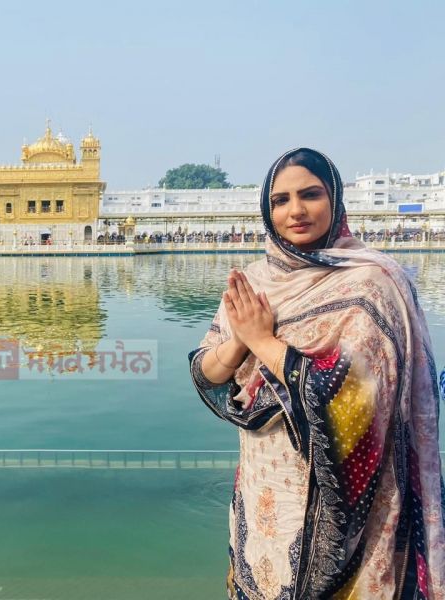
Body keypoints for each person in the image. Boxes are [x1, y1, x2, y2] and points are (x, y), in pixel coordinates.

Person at [189, 148, 444, 598]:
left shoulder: (370, 284)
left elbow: (357, 398)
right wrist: (242, 340)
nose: (296, 210)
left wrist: (266, 343)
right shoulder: (257, 279)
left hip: (345, 500)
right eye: (281, 200)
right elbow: (206, 373)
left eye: (310, 194)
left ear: (335, 199)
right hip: (263, 487)